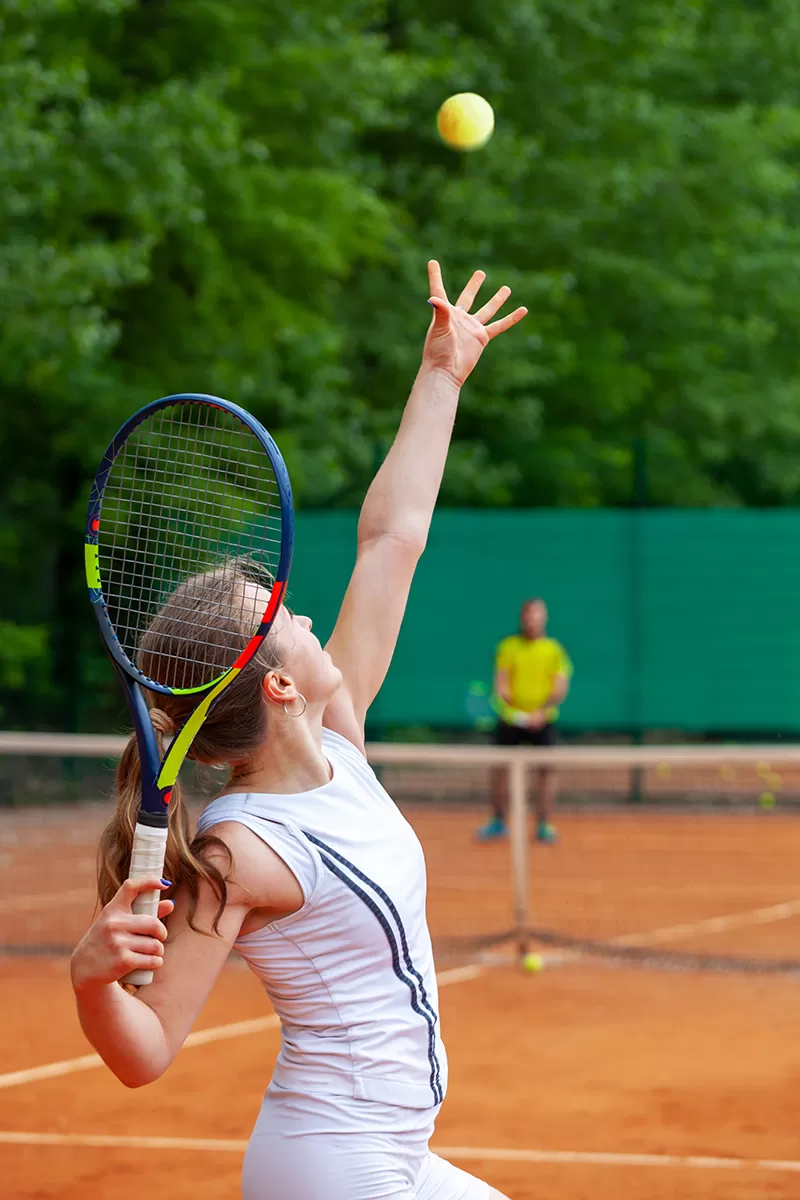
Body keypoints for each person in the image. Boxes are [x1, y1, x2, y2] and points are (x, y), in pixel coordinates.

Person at [70, 261, 526, 1200]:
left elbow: (391, 540)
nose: (313, 618)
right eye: (288, 617)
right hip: (334, 1169)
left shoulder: (339, 751)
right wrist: (90, 983)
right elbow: (146, 1050)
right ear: (280, 685)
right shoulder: (245, 850)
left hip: (391, 1155)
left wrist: (441, 375)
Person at [476, 598, 572, 844]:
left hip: (544, 721)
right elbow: (502, 686)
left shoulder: (555, 650)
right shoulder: (508, 647)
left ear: (544, 619)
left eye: (537, 615)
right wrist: (520, 715)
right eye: (529, 615)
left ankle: (544, 824)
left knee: (547, 772)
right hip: (511, 721)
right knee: (500, 770)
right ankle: (498, 821)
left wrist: (540, 713)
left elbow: (559, 688)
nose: (532, 620)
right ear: (522, 618)